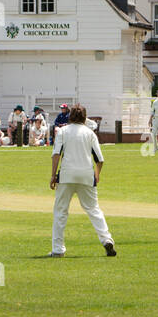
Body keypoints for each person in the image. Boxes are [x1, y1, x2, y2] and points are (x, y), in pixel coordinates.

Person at [49, 104, 116, 257]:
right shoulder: (90, 133)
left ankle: (58, 250)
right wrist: (97, 175)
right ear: (84, 117)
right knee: (94, 209)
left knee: (60, 212)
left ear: (70, 116)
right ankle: (106, 239)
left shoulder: (63, 131)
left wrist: (53, 175)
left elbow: (56, 155)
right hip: (86, 175)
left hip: (66, 175)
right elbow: (99, 159)